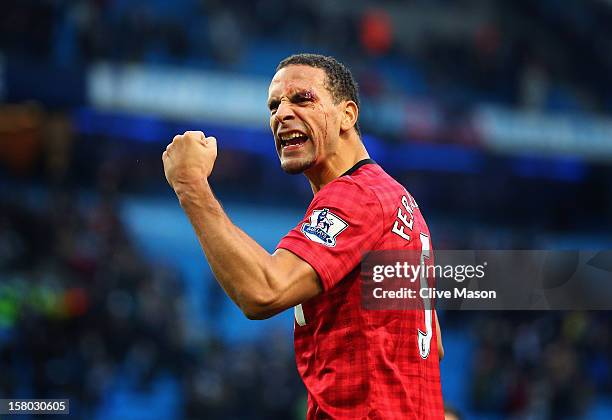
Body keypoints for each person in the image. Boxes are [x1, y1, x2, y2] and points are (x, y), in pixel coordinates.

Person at [162, 53, 443, 419]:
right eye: (274, 105)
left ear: (348, 115)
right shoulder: (396, 200)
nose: (281, 114)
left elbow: (264, 292)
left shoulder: (356, 196)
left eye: (301, 99)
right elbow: (432, 342)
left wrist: (190, 185)